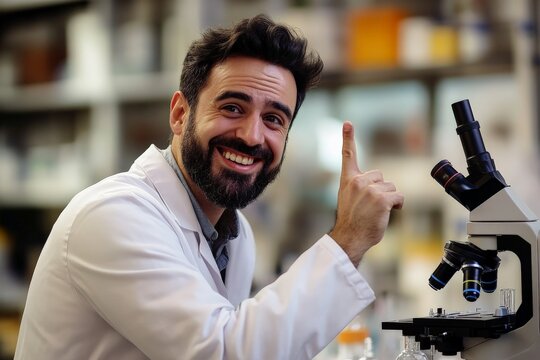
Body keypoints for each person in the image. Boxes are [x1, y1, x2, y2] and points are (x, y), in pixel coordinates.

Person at [14, 14, 404, 360]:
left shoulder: (236, 237)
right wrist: (348, 238)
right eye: (232, 108)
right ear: (181, 114)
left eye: (273, 119)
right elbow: (222, 352)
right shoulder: (113, 215)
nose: (252, 136)